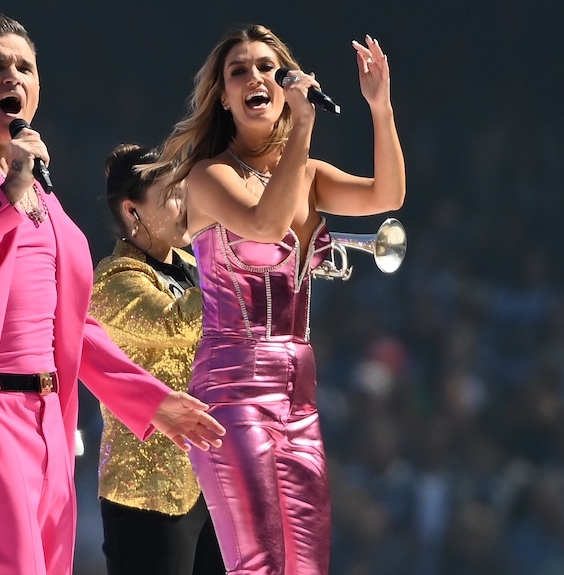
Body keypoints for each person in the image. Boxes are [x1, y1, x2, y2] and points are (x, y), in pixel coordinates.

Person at [0, 11, 225, 575]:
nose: (11, 77)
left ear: (37, 87)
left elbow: (73, 325)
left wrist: (150, 401)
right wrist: (10, 187)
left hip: (50, 414)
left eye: (24, 66)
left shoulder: (49, 201)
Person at [148, 24, 406, 574]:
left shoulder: (306, 175)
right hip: (232, 389)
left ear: (286, 79)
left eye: (267, 67)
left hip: (300, 396)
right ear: (223, 96)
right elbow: (266, 227)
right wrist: (304, 127)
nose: (255, 78)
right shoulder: (209, 175)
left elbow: (389, 195)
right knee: (257, 564)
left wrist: (379, 108)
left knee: (307, 567)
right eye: (239, 71)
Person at [90, 144, 224, 575]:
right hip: (146, 492)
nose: (185, 203)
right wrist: (247, 263)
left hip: (211, 480)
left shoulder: (192, 264)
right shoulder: (113, 280)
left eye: (185, 191)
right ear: (133, 211)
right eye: (172, 195)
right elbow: (175, 323)